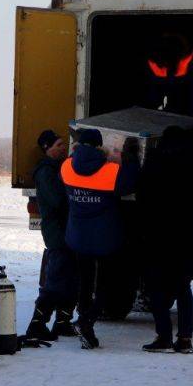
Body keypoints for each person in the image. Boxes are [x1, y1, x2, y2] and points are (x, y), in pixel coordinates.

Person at [61, 128, 139, 349]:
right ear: (99, 146)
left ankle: (87, 328)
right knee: (107, 284)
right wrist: (130, 156)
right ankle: (87, 321)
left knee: (85, 282)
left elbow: (73, 163)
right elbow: (129, 183)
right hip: (105, 237)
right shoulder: (111, 171)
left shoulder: (67, 168)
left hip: (77, 235)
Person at [136, 125, 193, 354]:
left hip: (158, 235)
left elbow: (142, 195)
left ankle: (163, 335)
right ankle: (185, 339)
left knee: (156, 287)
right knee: (183, 287)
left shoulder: (155, 162)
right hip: (185, 236)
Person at [24, 129, 78, 341]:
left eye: (64, 144)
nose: (63, 148)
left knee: (72, 278)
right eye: (58, 145)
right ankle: (37, 323)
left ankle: (63, 322)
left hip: (68, 230)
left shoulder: (58, 168)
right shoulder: (46, 172)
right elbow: (56, 201)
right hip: (57, 232)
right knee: (56, 279)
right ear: (47, 149)